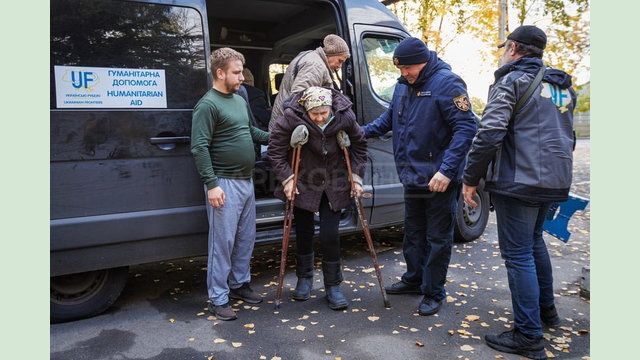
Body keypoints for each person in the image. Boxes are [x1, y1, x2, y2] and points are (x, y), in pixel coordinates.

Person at [462, 25, 576, 360]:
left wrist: (471, 178)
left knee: (519, 254)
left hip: (521, 180)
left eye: (504, 48)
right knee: (534, 242)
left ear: (513, 48)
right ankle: (547, 313)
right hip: (555, 181)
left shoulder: (511, 80)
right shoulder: (562, 87)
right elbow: (567, 136)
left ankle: (528, 336)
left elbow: (490, 132)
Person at [362, 37, 477, 316]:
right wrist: (356, 133)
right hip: (412, 176)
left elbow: (465, 129)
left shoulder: (447, 83)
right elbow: (388, 120)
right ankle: (414, 279)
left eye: (408, 68)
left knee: (438, 238)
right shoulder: (403, 86)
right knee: (413, 233)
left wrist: (447, 171)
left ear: (423, 61)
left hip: (439, 179)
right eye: (400, 69)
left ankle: (433, 292)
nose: (404, 74)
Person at [268, 86, 367, 310]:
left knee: (329, 234)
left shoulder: (344, 117)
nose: (321, 118)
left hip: (334, 181)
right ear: (307, 110)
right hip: (303, 180)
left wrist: (356, 176)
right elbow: (275, 150)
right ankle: (305, 278)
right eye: (315, 114)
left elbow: (360, 145)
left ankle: (333, 285)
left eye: (324, 113)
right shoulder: (291, 118)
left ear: (331, 108)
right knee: (303, 231)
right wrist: (287, 179)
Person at [190, 47, 270, 321]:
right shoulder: (208, 104)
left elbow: (250, 131)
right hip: (223, 182)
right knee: (222, 243)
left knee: (246, 238)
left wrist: (280, 138)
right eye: (236, 73)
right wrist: (212, 184)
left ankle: (239, 283)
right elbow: (199, 147)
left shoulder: (238, 100)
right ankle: (218, 297)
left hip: (246, 180)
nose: (241, 78)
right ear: (220, 72)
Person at [268, 34, 350, 132]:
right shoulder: (315, 66)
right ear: (331, 54)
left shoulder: (310, 56)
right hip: (291, 128)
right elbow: (299, 97)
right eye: (339, 61)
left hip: (284, 124)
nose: (339, 66)